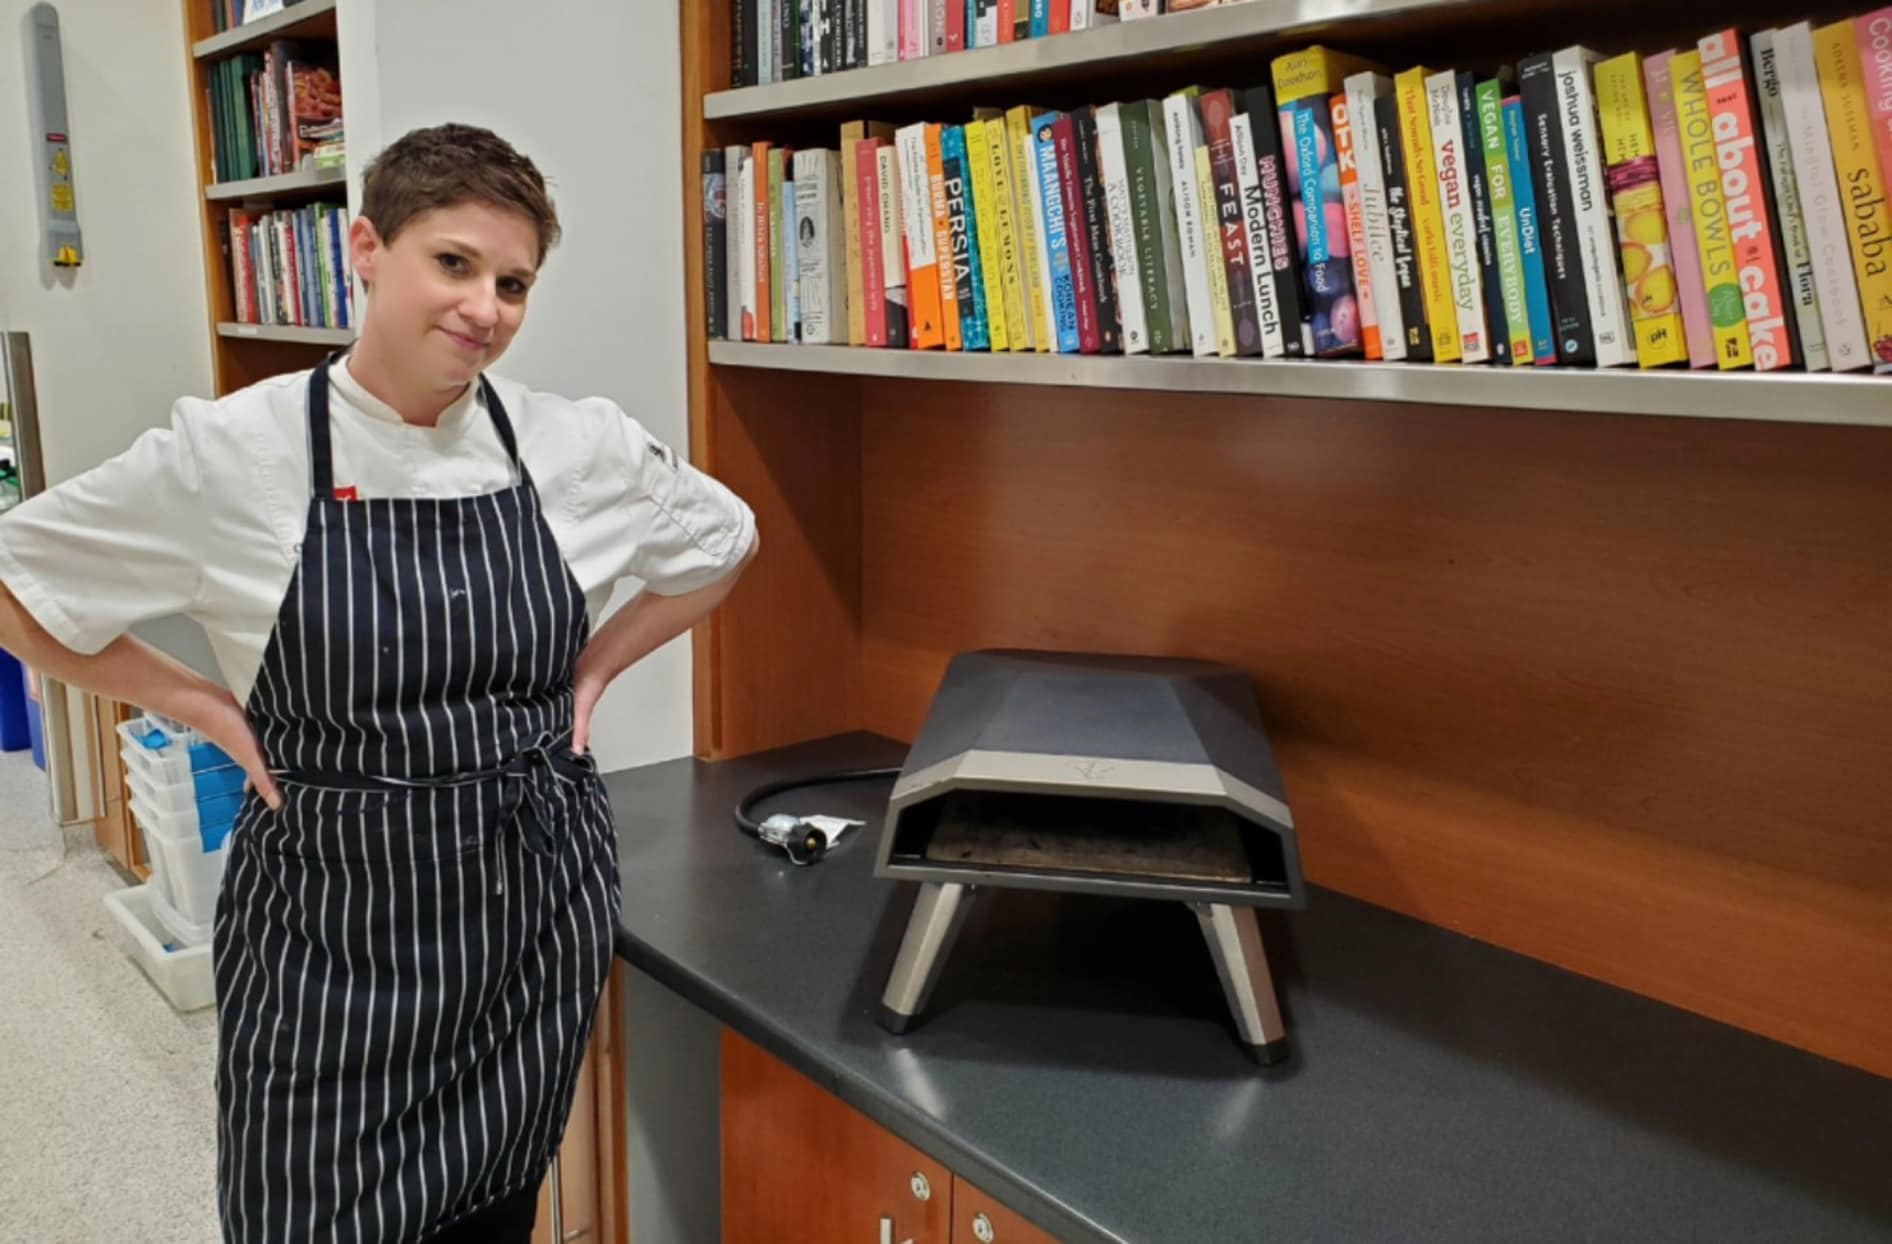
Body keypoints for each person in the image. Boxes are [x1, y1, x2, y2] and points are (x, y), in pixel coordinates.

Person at [0, 123, 758, 1242]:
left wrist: (593, 670)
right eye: (453, 263)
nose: (484, 307)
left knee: (494, 1203)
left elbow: (721, 539)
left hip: (524, 920)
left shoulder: (568, 445)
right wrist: (201, 701)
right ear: (365, 247)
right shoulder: (232, 454)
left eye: (512, 282)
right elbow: (19, 577)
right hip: (331, 943)